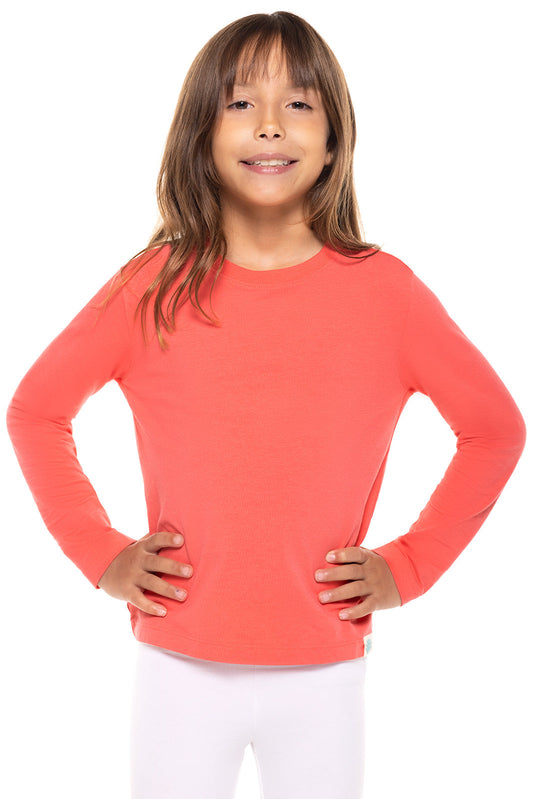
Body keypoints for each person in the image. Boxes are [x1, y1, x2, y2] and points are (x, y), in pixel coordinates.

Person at [5, 10, 526, 799]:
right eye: (241, 102)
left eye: (299, 103)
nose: (271, 125)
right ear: (202, 131)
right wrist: (100, 552)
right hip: (176, 661)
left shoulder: (385, 293)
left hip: (323, 668)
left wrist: (408, 566)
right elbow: (36, 411)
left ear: (333, 137)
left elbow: (493, 429)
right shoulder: (152, 286)